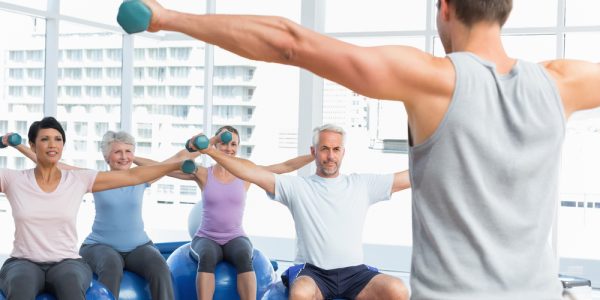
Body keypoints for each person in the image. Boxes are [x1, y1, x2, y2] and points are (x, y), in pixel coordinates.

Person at [124, 0, 600, 298]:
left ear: (445, 7)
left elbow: (290, 43)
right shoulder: (565, 82)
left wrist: (168, 16)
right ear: (508, 7)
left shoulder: (432, 80)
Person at [186, 124, 410, 300]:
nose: (330, 156)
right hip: (314, 273)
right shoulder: (297, 187)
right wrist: (209, 150)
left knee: (398, 290)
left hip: (355, 273)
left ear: (343, 152)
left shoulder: (361, 184)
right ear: (314, 152)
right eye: (324, 149)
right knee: (301, 293)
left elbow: (407, 178)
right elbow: (250, 171)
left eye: (335, 149)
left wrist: (439, 156)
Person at [0, 117, 189, 300]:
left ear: (63, 146)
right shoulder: (14, 179)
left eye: (58, 139)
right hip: (27, 260)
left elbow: (134, 176)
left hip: (68, 261)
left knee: (72, 286)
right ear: (33, 145)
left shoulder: (79, 179)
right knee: (20, 288)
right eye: (44, 139)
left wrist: (176, 165)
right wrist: (10, 143)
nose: (52, 144)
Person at [135, 125, 314, 300]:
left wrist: (314, 156)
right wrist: (131, 158)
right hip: (206, 237)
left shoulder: (247, 173)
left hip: (235, 236)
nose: (228, 148)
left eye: (233, 144)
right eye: (224, 143)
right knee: (207, 257)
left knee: (244, 257)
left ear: (238, 147)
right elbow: (161, 168)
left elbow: (285, 166)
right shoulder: (203, 173)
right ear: (215, 146)